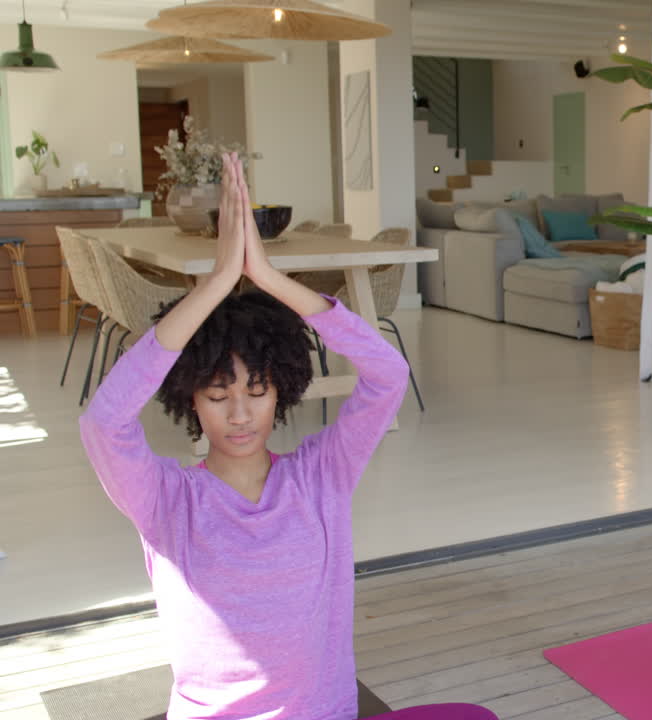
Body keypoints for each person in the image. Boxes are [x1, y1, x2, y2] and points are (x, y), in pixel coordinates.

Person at [80, 153, 409, 719]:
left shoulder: (320, 476)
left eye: (257, 391)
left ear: (281, 390)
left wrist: (271, 280)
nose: (239, 414)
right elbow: (102, 422)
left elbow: (389, 374)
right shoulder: (165, 500)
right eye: (217, 395)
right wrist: (213, 286)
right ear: (190, 398)